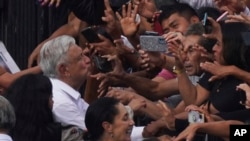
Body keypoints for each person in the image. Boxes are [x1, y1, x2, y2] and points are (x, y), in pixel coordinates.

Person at [39, 35, 91, 133]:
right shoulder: (61, 102)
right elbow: (97, 135)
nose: (88, 60)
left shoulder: (65, 94)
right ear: (63, 69)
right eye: (80, 58)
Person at [3, 74, 61, 141]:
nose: (53, 102)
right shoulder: (56, 134)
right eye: (51, 97)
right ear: (42, 102)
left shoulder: (4, 131)